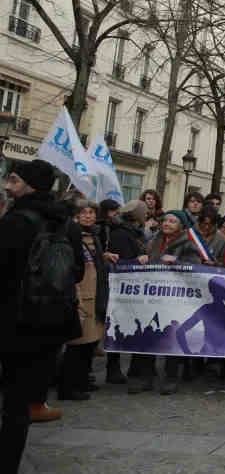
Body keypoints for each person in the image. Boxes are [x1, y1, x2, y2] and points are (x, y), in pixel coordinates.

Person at [1, 160, 83, 471]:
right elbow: (75, 273)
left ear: (30, 185)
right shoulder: (66, 224)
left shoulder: (15, 222)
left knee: (11, 399)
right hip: (51, 323)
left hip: (14, 320)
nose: (8, 186)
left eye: (13, 180)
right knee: (21, 402)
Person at [131, 210, 201, 395]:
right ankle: (147, 377)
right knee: (149, 334)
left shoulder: (188, 244)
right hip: (153, 297)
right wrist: (143, 258)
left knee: (172, 336)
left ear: (181, 225)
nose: (167, 224)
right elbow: (147, 258)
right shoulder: (154, 241)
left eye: (173, 221)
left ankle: (171, 377)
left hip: (175, 298)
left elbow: (195, 267)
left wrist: (177, 262)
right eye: (166, 220)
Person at [60, 201, 117, 401]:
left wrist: (104, 256)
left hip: (95, 295)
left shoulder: (94, 236)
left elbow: (94, 262)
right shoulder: (70, 236)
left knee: (90, 344)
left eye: (91, 212)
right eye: (83, 212)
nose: (88, 216)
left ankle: (82, 380)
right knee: (77, 345)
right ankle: (68, 387)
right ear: (75, 215)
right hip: (80, 295)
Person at [104, 199, 148, 385]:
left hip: (132, 287)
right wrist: (137, 260)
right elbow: (122, 261)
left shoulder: (131, 232)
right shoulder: (123, 234)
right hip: (124, 288)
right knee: (119, 326)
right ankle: (113, 368)